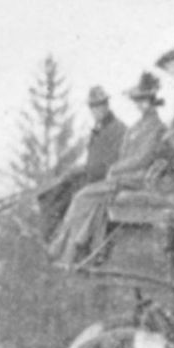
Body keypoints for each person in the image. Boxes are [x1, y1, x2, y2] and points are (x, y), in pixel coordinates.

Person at [48, 73, 168, 263]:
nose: (140, 105)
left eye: (144, 100)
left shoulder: (157, 127)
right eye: (138, 100)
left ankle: (66, 249)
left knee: (82, 196)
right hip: (122, 178)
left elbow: (143, 158)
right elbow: (124, 154)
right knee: (89, 199)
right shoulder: (136, 126)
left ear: (153, 101)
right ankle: (74, 249)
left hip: (137, 179)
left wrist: (116, 168)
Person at [36, 85, 124, 239]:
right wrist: (76, 170)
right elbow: (93, 160)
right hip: (91, 177)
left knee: (62, 196)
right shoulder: (98, 130)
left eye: (101, 105)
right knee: (49, 193)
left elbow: (111, 164)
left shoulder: (118, 129)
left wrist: (84, 171)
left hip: (102, 180)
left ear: (107, 105)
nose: (97, 110)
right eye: (94, 107)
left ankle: (62, 240)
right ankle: (50, 237)